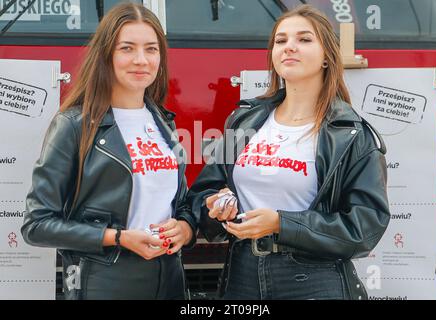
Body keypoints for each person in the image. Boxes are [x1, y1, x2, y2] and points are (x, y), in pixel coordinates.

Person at [187, 4, 390, 300]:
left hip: (314, 280)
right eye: (281, 41)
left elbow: (366, 227)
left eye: (304, 40)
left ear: (326, 57)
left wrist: (282, 223)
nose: (289, 47)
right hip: (242, 273)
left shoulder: (351, 133)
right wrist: (216, 206)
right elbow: (203, 193)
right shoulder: (242, 121)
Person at [21, 2, 196, 300]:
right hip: (105, 281)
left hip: (170, 281)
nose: (141, 60)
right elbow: (36, 224)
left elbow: (179, 205)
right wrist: (118, 238)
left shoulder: (163, 121)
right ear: (106, 55)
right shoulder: (73, 125)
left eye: (151, 49)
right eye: (127, 48)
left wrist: (186, 228)